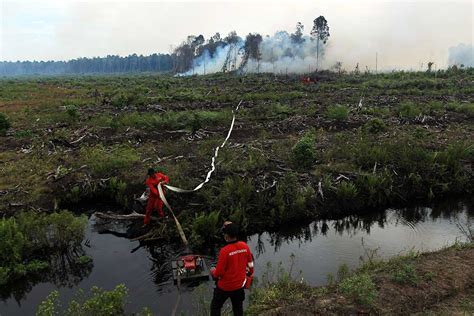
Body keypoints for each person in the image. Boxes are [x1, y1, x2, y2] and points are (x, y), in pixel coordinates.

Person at [210, 222, 254, 316]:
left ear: (226, 236)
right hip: (239, 286)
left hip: (224, 287)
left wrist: (213, 270)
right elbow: (250, 265)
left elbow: (219, 273)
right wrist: (250, 273)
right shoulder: (245, 246)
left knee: (215, 307)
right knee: (238, 308)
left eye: (224, 234)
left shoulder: (224, 251)